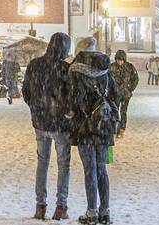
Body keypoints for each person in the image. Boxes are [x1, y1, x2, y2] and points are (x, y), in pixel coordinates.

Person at [69, 36, 121, 225]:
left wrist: (73, 113)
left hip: (85, 127)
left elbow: (75, 99)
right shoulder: (105, 69)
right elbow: (116, 95)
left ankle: (91, 212)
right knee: (101, 169)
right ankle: (105, 211)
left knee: (89, 169)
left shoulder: (75, 70)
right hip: (104, 126)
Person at [22, 32, 73, 221]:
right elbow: (70, 96)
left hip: (40, 121)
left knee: (42, 163)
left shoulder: (35, 65)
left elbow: (26, 91)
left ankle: (40, 205)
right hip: (60, 124)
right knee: (63, 165)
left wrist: (36, 108)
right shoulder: (65, 68)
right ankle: (61, 207)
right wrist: (66, 112)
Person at [111, 49, 138, 137]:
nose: (120, 62)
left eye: (121, 60)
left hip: (126, 94)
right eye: (118, 60)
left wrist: (130, 89)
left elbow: (135, 78)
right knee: (115, 111)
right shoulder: (111, 67)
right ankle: (115, 128)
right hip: (115, 94)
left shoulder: (130, 67)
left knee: (123, 111)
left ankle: (122, 129)